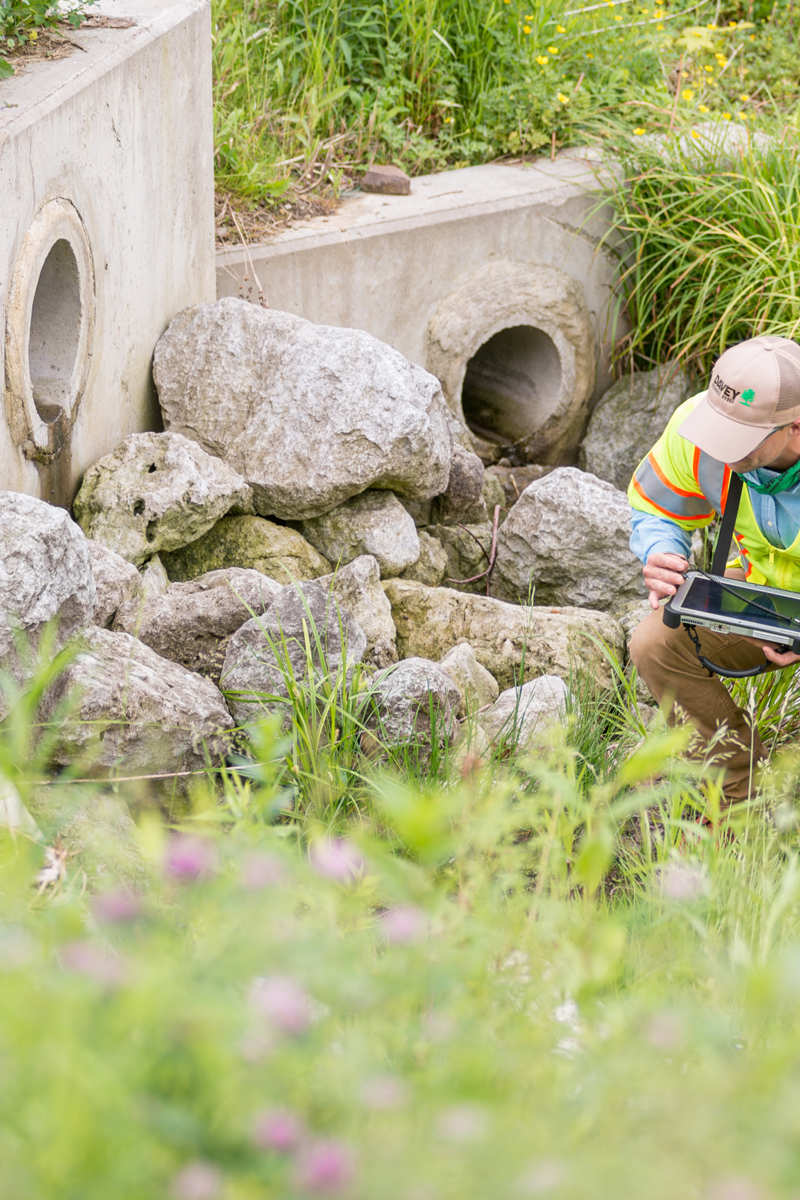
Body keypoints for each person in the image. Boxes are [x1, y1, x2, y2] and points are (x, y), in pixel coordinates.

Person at [627, 334, 800, 805]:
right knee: (654, 644)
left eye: (740, 439)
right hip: (759, 595)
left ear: (795, 426)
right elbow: (656, 506)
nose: (720, 448)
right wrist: (660, 552)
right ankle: (741, 795)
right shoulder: (697, 430)